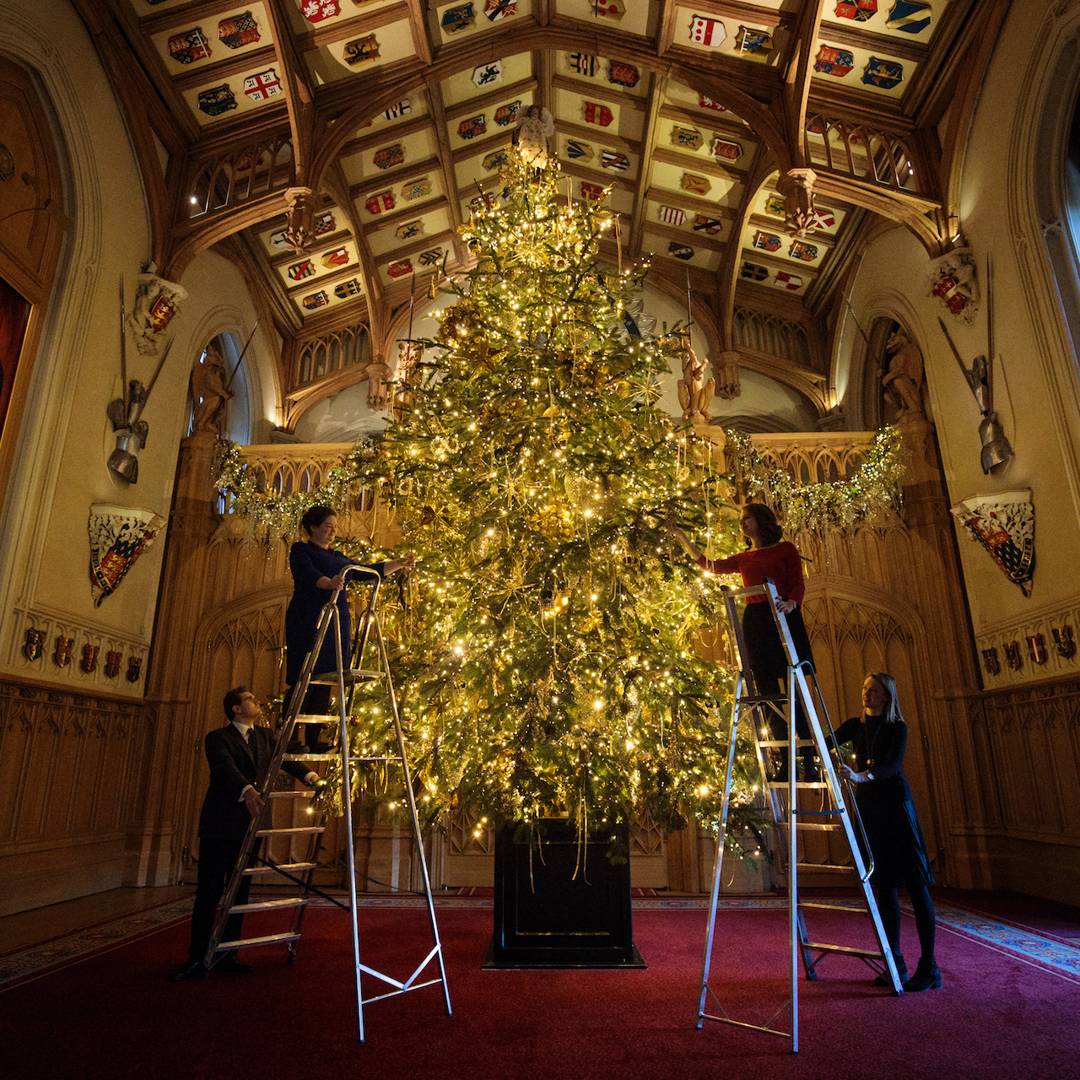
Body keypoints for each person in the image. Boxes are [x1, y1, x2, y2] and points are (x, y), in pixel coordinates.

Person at [173, 687, 319, 980]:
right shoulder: (217, 738)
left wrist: (312, 778)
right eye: (250, 699)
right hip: (220, 823)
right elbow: (225, 769)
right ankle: (197, 956)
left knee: (240, 890)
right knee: (210, 891)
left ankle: (228, 952)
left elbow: (286, 759)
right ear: (236, 709)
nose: (257, 701)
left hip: (252, 825)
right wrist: (248, 789)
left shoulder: (266, 736)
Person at [669, 503, 815, 776]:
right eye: (742, 519)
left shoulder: (785, 550)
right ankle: (784, 760)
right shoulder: (744, 558)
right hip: (757, 621)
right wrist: (681, 536)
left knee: (794, 689)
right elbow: (710, 566)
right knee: (767, 692)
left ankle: (808, 756)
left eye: (747, 518)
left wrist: (792, 603)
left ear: (762, 521)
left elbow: (798, 582)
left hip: (782, 615)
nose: (743, 523)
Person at [831, 672, 941, 992]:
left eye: (874, 690)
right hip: (869, 813)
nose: (868, 695)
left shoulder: (898, 728)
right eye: (865, 689)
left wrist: (860, 776)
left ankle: (929, 966)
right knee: (884, 887)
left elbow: (893, 766)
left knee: (916, 886)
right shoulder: (855, 726)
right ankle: (895, 962)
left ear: (887, 696)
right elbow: (825, 741)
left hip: (896, 810)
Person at [283, 505, 412, 750]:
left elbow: (368, 572)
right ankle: (288, 737)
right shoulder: (301, 550)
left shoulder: (339, 558)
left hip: (336, 622)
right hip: (310, 619)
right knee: (305, 675)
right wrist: (329, 582)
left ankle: (313, 738)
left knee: (328, 676)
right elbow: (307, 574)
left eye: (334, 527)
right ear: (313, 527)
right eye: (327, 526)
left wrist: (398, 563)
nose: (332, 531)